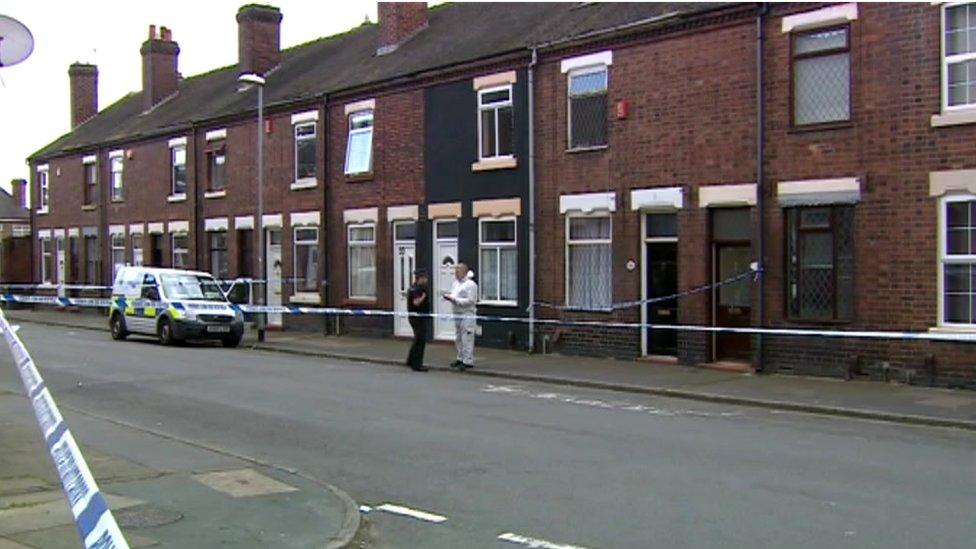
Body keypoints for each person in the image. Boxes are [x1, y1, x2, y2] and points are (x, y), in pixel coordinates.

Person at [443, 263, 478, 370]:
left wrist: (456, 300)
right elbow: (454, 294)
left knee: (466, 337)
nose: (456, 274)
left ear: (464, 272)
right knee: (458, 337)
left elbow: (471, 300)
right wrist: (449, 297)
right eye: (455, 272)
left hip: (467, 313)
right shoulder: (455, 284)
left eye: (458, 271)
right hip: (457, 313)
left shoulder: (471, 284)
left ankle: (468, 360)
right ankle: (460, 358)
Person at [405, 270, 430, 372]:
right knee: (420, 340)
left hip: (417, 317)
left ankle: (410, 360)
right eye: (425, 278)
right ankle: (417, 364)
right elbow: (416, 303)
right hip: (418, 318)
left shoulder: (414, 287)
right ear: (421, 278)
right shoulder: (417, 289)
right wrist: (423, 297)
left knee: (417, 339)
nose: (427, 280)